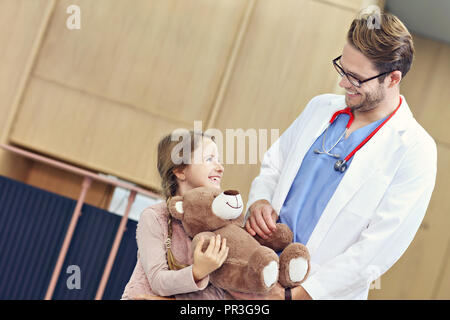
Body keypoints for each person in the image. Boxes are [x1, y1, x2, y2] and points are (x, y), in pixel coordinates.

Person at [243, 9, 437, 300]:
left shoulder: (415, 150)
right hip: (259, 270)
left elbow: (380, 246)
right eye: (342, 69)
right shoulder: (320, 108)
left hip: (316, 292)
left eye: (356, 78)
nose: (344, 83)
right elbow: (275, 164)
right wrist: (260, 200)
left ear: (393, 78)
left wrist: (300, 294)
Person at [121, 130, 230, 300]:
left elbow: (220, 293)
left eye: (219, 160)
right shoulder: (155, 217)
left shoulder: (221, 224)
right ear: (180, 171)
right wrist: (197, 271)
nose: (220, 167)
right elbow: (158, 280)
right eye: (209, 159)